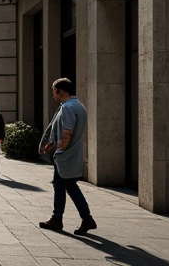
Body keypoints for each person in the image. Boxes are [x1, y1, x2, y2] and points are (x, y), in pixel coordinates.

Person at [38, 78, 96, 235]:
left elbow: (67, 132)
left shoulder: (68, 108)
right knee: (61, 186)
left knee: (69, 186)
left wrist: (60, 150)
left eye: (54, 91)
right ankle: (57, 218)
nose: (53, 95)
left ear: (60, 91)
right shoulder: (78, 106)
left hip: (65, 156)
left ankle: (86, 218)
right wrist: (52, 145)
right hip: (70, 154)